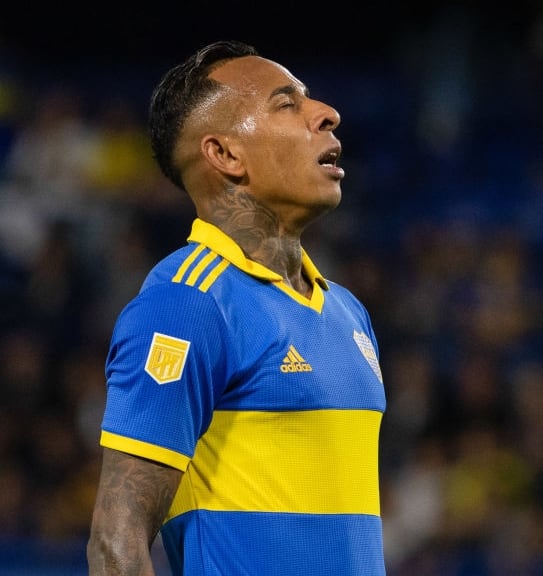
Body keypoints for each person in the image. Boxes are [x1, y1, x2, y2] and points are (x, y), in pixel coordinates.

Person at [86, 40, 387, 575]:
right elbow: (117, 543)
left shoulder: (348, 312)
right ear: (225, 155)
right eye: (286, 103)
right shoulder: (187, 305)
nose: (327, 114)